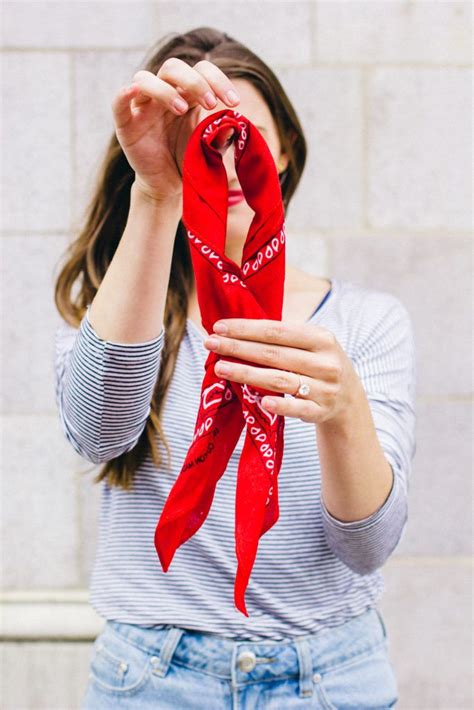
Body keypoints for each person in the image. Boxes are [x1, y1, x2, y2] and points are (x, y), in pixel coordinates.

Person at [53, 26, 416, 709]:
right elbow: (97, 431)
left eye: (241, 131)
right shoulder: (120, 307)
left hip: (331, 681)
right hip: (153, 680)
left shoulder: (366, 325)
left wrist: (342, 414)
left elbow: (367, 546)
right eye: (201, 139)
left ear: (283, 149)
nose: (225, 154)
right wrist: (158, 192)